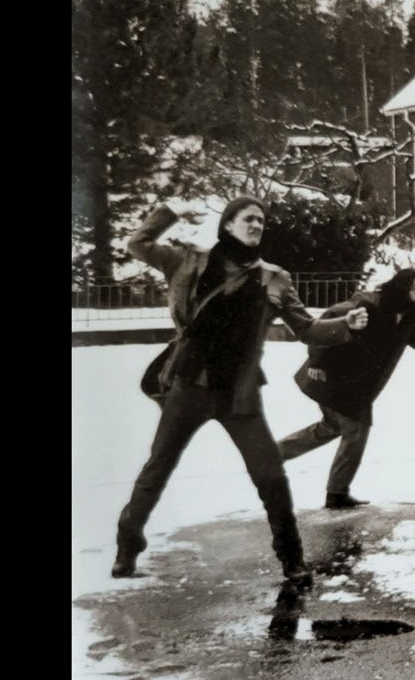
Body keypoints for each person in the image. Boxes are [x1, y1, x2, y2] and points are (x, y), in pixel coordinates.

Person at [113, 196, 368, 588]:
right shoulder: (188, 261)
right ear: (228, 223)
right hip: (189, 385)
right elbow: (137, 245)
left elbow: (306, 329)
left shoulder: (274, 278)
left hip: (239, 395)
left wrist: (345, 325)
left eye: (262, 221)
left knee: (270, 476)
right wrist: (168, 214)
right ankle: (127, 548)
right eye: (249, 218)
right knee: (157, 468)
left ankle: (292, 558)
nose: (257, 225)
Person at [278, 268, 415, 509]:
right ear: (401, 287)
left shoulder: (410, 318)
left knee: (332, 427)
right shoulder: (367, 305)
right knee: (356, 428)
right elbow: (327, 320)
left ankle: (273, 455)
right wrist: (317, 360)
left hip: (358, 385)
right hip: (332, 375)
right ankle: (336, 493)